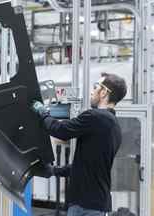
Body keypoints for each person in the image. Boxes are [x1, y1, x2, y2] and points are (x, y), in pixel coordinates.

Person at [32, 73, 127, 216]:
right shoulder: (114, 127)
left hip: (85, 207)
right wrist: (54, 171)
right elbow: (87, 166)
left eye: (95, 87)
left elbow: (61, 130)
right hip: (95, 205)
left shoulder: (96, 117)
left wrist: (43, 113)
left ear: (104, 92)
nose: (92, 91)